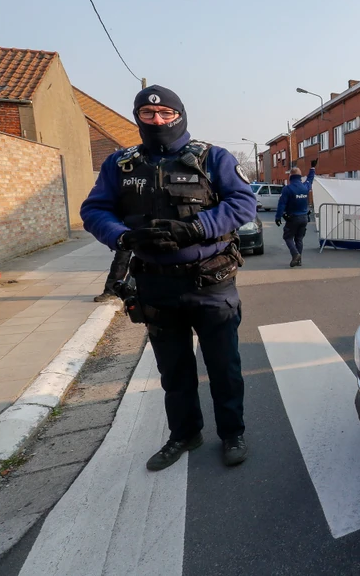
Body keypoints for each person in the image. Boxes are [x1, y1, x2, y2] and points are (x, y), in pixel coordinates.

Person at [80, 85, 257, 472]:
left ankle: (232, 434)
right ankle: (185, 434)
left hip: (210, 282)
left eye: (166, 114)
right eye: (148, 114)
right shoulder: (120, 164)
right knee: (174, 371)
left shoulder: (212, 158)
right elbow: (94, 210)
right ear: (138, 118)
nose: (157, 120)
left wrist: (196, 228)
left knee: (224, 367)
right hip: (157, 286)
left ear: (179, 115)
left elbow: (243, 202)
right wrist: (123, 237)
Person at [275, 160, 316, 267]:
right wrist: (312, 168)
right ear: (300, 176)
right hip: (304, 218)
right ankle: (299, 260)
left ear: (291, 176)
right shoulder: (305, 186)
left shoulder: (287, 189)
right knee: (299, 239)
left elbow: (282, 204)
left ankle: (295, 255)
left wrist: (278, 217)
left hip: (293, 218)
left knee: (287, 237)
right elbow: (310, 179)